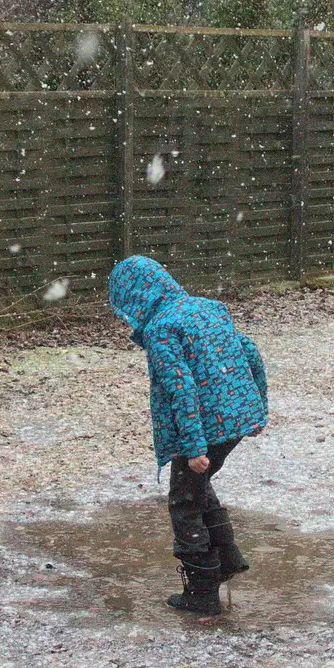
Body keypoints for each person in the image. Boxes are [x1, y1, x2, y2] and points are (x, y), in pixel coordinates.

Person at [107, 256, 268, 617]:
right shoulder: (207, 308)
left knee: (184, 502)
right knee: (197, 485)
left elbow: (181, 388)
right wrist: (259, 407)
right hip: (235, 420)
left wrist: (194, 446)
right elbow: (251, 353)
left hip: (204, 427)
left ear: (133, 298)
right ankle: (226, 558)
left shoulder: (160, 328)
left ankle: (202, 590)